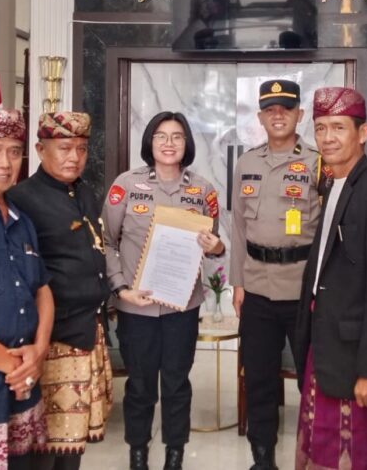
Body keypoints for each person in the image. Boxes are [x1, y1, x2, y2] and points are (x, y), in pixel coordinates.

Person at [294, 87, 367, 469]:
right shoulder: (333, 184)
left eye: (338, 127)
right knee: (319, 448)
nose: (327, 137)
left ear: (363, 133)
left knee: (359, 454)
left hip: (358, 356)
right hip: (325, 346)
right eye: (321, 128)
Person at [102, 111, 225, 470]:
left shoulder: (203, 190)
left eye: (177, 136)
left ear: (187, 143)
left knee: (176, 383)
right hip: (136, 307)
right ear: (150, 142)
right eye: (161, 136)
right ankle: (138, 453)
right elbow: (106, 242)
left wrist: (216, 246)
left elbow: (213, 244)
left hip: (181, 308)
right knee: (140, 385)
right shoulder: (126, 185)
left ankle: (175, 454)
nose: (169, 143)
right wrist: (120, 288)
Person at [7, 112, 113, 470]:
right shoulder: (21, 198)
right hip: (52, 339)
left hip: (86, 330)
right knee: (46, 446)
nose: (74, 157)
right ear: (40, 150)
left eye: (81, 149)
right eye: (65, 148)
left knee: (72, 444)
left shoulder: (84, 191)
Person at [230, 80, 320, 470]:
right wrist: (237, 283)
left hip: (303, 288)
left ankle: (315, 454)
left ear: (300, 115)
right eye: (270, 109)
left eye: (286, 108)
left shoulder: (318, 162)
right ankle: (262, 458)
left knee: (312, 379)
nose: (278, 115)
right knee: (260, 378)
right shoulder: (247, 163)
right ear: (261, 117)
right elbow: (237, 228)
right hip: (256, 289)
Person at [0, 108, 54, 470]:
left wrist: (39, 351)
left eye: (14, 151)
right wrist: (17, 365)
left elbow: (41, 289)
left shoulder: (21, 220)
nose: (5, 163)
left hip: (23, 388)